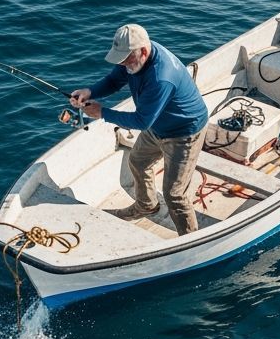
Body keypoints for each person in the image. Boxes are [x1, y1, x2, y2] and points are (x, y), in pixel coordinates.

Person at [70, 24, 208, 236]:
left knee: (174, 194)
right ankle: (147, 205)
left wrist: (103, 113)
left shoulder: (161, 77)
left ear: (143, 51)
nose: (123, 64)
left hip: (184, 133)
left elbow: (142, 121)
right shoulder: (136, 58)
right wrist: (91, 91)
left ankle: (190, 240)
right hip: (158, 125)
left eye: (125, 59)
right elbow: (114, 80)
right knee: (138, 161)